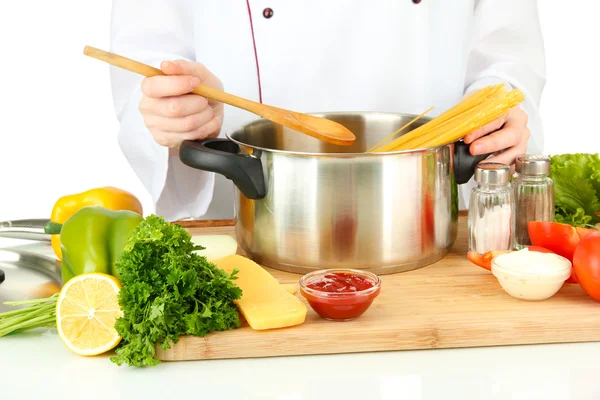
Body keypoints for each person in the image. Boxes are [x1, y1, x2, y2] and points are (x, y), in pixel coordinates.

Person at [109, 0, 546, 222]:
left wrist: (498, 112)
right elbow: (147, 66)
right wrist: (179, 110)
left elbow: (505, 56)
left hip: (428, 216)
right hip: (249, 222)